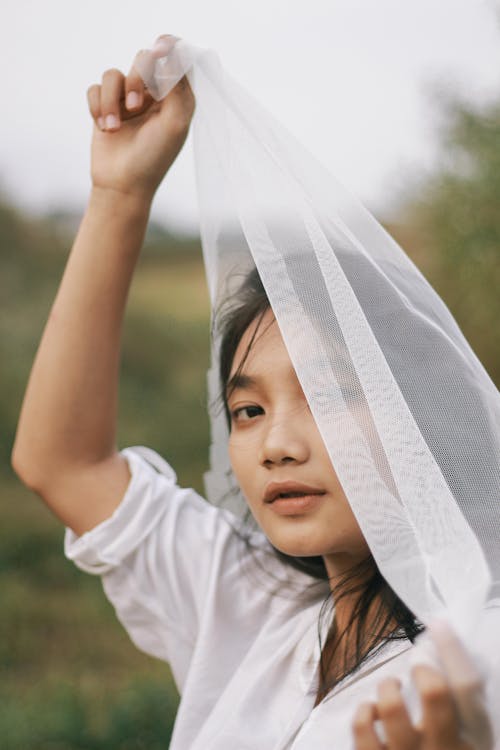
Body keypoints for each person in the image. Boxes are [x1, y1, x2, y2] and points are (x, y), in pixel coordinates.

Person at [12, 38, 493, 749]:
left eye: (330, 396)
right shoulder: (251, 608)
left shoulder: (470, 667)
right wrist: (119, 194)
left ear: (419, 409)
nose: (275, 445)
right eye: (248, 411)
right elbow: (64, 465)